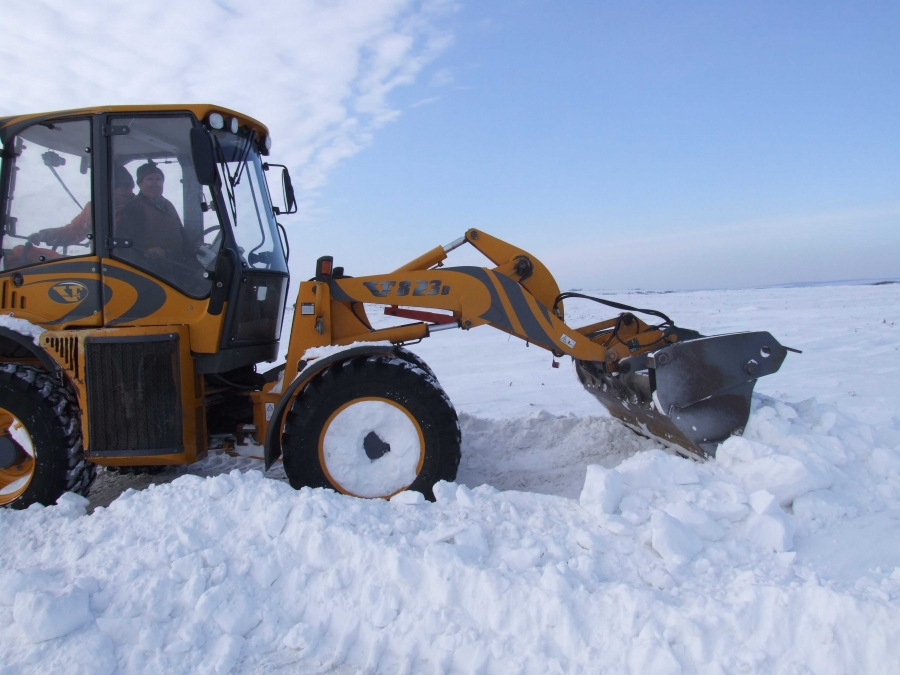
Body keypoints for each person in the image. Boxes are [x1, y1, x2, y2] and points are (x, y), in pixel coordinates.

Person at [28, 165, 135, 249]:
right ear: (109, 189)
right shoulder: (95, 208)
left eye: (129, 188)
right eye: (121, 187)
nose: (127, 192)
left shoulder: (137, 207)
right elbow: (75, 230)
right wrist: (45, 235)